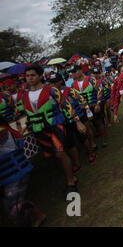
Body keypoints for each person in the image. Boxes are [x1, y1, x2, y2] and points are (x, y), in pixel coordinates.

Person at [22, 65, 81, 195]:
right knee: (54, 156)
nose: (30, 78)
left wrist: (77, 121)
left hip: (55, 125)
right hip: (39, 130)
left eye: (33, 75)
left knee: (60, 152)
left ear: (40, 76)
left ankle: (70, 182)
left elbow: (66, 105)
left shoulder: (51, 91)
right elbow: (27, 113)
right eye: (27, 76)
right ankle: (70, 177)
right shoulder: (24, 96)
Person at [1, 120, 47, 227]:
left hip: (15, 173)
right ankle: (39, 215)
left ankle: (34, 218)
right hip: (9, 175)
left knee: (13, 209)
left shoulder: (3, 131)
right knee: (16, 202)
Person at [48, 72, 97, 170]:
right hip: (65, 121)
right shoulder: (50, 94)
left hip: (77, 117)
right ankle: (77, 162)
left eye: (54, 82)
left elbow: (81, 99)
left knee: (83, 137)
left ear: (60, 81)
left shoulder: (69, 90)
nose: (52, 85)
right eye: (50, 83)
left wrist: (87, 110)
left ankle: (91, 153)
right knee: (70, 143)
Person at [68, 64, 106, 148]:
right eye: (72, 73)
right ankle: (93, 143)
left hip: (94, 106)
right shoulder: (72, 85)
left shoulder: (91, 80)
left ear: (81, 70)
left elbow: (99, 91)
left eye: (75, 71)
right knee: (87, 126)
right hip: (83, 109)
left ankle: (103, 140)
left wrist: (98, 104)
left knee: (99, 123)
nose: (73, 74)